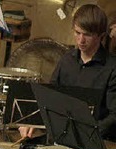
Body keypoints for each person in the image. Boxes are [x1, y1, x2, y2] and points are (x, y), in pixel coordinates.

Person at [21, 4, 116, 140]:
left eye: (87, 35)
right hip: (63, 136)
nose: (81, 40)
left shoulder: (112, 68)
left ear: (101, 36)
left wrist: (88, 133)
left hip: (98, 142)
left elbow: (114, 116)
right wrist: (34, 120)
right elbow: (51, 97)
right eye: (77, 33)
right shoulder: (67, 60)